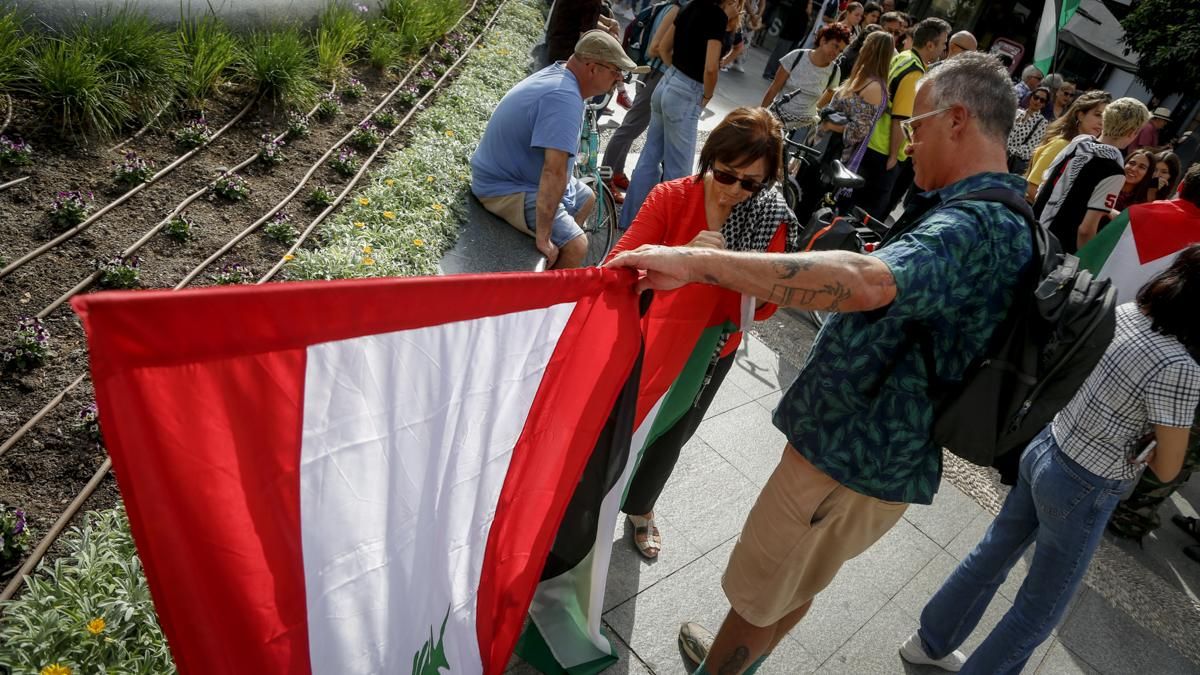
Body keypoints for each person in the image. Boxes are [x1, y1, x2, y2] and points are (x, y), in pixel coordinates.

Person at [608, 53, 1031, 675]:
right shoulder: (994, 215)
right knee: (793, 585)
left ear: (958, 119)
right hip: (878, 456)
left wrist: (698, 262)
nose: (906, 142)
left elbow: (867, 282)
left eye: (914, 125)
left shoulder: (973, 225)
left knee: (761, 593)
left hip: (846, 451)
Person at [900, 245, 1200, 674]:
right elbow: (1168, 468)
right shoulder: (1181, 367)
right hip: (1089, 484)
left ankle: (928, 642)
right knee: (1040, 608)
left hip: (1048, 445)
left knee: (991, 556)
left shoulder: (1130, 312)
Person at [613, 107, 801, 558]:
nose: (736, 190)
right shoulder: (672, 197)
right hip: (649, 333)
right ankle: (592, 501)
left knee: (671, 434)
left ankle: (640, 507)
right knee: (618, 425)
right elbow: (616, 268)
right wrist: (682, 255)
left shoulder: (768, 218)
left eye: (751, 183)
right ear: (710, 157)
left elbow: (764, 309)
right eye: (727, 174)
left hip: (710, 348)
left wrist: (742, 272)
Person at [471, 30, 646, 268]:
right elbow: (553, 171)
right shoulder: (563, 98)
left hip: (517, 175)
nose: (618, 80)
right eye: (615, 71)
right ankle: (547, 289)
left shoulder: (563, 76)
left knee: (588, 197)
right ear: (592, 68)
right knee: (577, 245)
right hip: (505, 187)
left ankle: (552, 264)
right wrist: (544, 237)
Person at [621, 0, 743, 230]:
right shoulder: (716, 16)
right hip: (687, 90)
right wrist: (706, 94)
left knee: (649, 157)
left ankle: (629, 221)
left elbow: (663, 48)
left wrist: (677, 73)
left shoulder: (690, 5)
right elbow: (711, 67)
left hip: (668, 81)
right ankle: (663, 233)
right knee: (679, 172)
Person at [853, 16, 951, 222]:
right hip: (883, 150)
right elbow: (900, 118)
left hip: (870, 141)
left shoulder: (905, 56)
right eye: (943, 43)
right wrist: (892, 157)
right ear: (930, 44)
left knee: (855, 204)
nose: (944, 49)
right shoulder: (915, 73)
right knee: (867, 214)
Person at [1033, 97, 1150, 254]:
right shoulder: (1114, 171)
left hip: (1032, 231)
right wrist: (1086, 261)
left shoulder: (1078, 145)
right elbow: (1086, 229)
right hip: (1055, 250)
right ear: (1132, 132)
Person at [602, 0, 683, 204]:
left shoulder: (671, 6)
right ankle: (605, 178)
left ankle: (616, 171)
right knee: (630, 127)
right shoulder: (676, 10)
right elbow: (656, 47)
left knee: (632, 127)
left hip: (651, 73)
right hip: (656, 74)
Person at [822, 30, 894, 193]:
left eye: (865, 44)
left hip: (835, 156)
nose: (861, 48)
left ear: (872, 48)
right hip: (824, 146)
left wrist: (829, 125)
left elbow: (860, 130)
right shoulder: (862, 74)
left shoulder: (874, 87)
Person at [760, 23, 851, 138]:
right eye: (835, 46)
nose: (836, 53)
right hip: (777, 116)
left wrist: (816, 108)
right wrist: (760, 114)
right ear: (823, 40)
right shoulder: (796, 56)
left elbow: (830, 94)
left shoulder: (834, 71)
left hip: (804, 126)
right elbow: (774, 88)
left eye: (840, 51)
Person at [1023, 90, 1110, 203]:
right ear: (1080, 115)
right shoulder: (1061, 145)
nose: (1102, 122)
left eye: (1106, 118)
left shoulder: (1088, 152)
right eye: (1098, 115)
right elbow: (1032, 187)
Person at [762, 0, 814, 80]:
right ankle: (770, 72)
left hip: (796, 25)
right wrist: (809, 11)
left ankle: (774, 73)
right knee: (782, 51)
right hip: (794, 25)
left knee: (786, 52)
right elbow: (808, 10)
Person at [1005, 86, 1050, 175]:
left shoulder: (1042, 123)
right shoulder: (1017, 113)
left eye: (1042, 100)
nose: (1038, 101)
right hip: (998, 156)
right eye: (1036, 97)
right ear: (1031, 97)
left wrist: (1008, 150)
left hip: (1012, 165)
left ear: (1044, 104)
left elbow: (1029, 150)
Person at [1109, 149, 1158, 217]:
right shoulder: (1106, 184)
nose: (1133, 169)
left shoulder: (1144, 202)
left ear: (1148, 174)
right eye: (1132, 163)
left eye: (1141, 167)